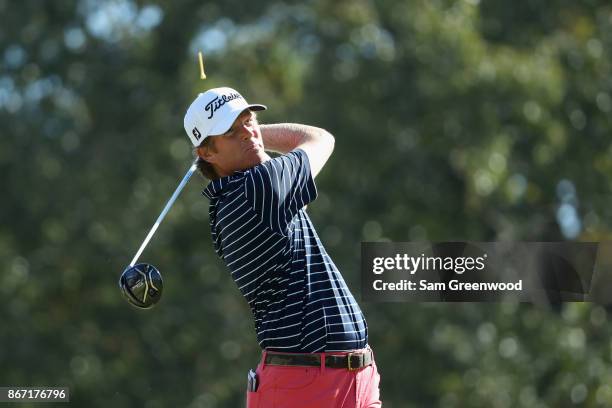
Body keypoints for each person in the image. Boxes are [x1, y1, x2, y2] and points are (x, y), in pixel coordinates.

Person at [183, 87, 381, 408]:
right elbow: (321, 139)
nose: (249, 132)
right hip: (305, 386)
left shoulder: (237, 195)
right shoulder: (255, 190)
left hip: (351, 381)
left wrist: (246, 135)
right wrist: (259, 134)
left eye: (250, 120)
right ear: (207, 153)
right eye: (232, 132)